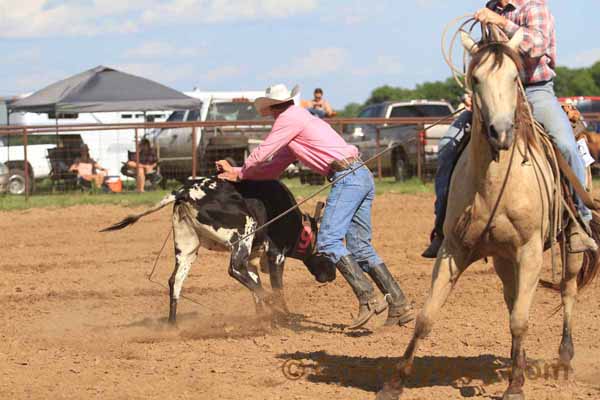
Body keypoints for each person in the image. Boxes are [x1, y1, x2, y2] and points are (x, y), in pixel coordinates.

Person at [216, 84, 413, 329]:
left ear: (271, 107)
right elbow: (272, 168)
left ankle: (367, 297)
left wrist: (240, 173)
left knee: (329, 241)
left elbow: (263, 152)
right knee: (360, 246)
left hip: (347, 177)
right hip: (360, 173)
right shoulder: (299, 121)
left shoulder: (289, 118)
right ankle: (400, 304)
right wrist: (238, 172)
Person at [422, 0, 597, 258]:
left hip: (535, 90)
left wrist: (501, 22)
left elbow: (535, 46)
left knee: (565, 144)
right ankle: (442, 227)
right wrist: (480, 90)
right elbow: (489, 58)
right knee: (448, 145)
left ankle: (579, 224)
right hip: (497, 92)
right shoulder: (491, 9)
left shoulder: (534, 9)